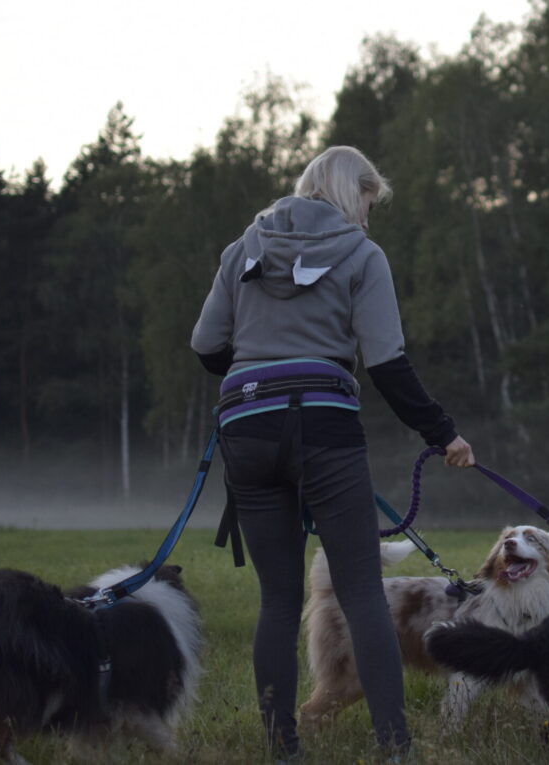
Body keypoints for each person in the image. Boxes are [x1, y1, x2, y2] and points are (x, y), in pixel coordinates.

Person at [190, 145, 474, 758]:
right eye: (367, 207)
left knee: (278, 598)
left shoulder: (243, 250)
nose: (367, 222)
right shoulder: (361, 255)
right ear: (352, 196)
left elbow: (207, 346)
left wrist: (258, 353)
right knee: (362, 591)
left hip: (248, 425)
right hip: (324, 425)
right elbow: (388, 365)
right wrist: (443, 434)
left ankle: (281, 746)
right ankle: (395, 746)